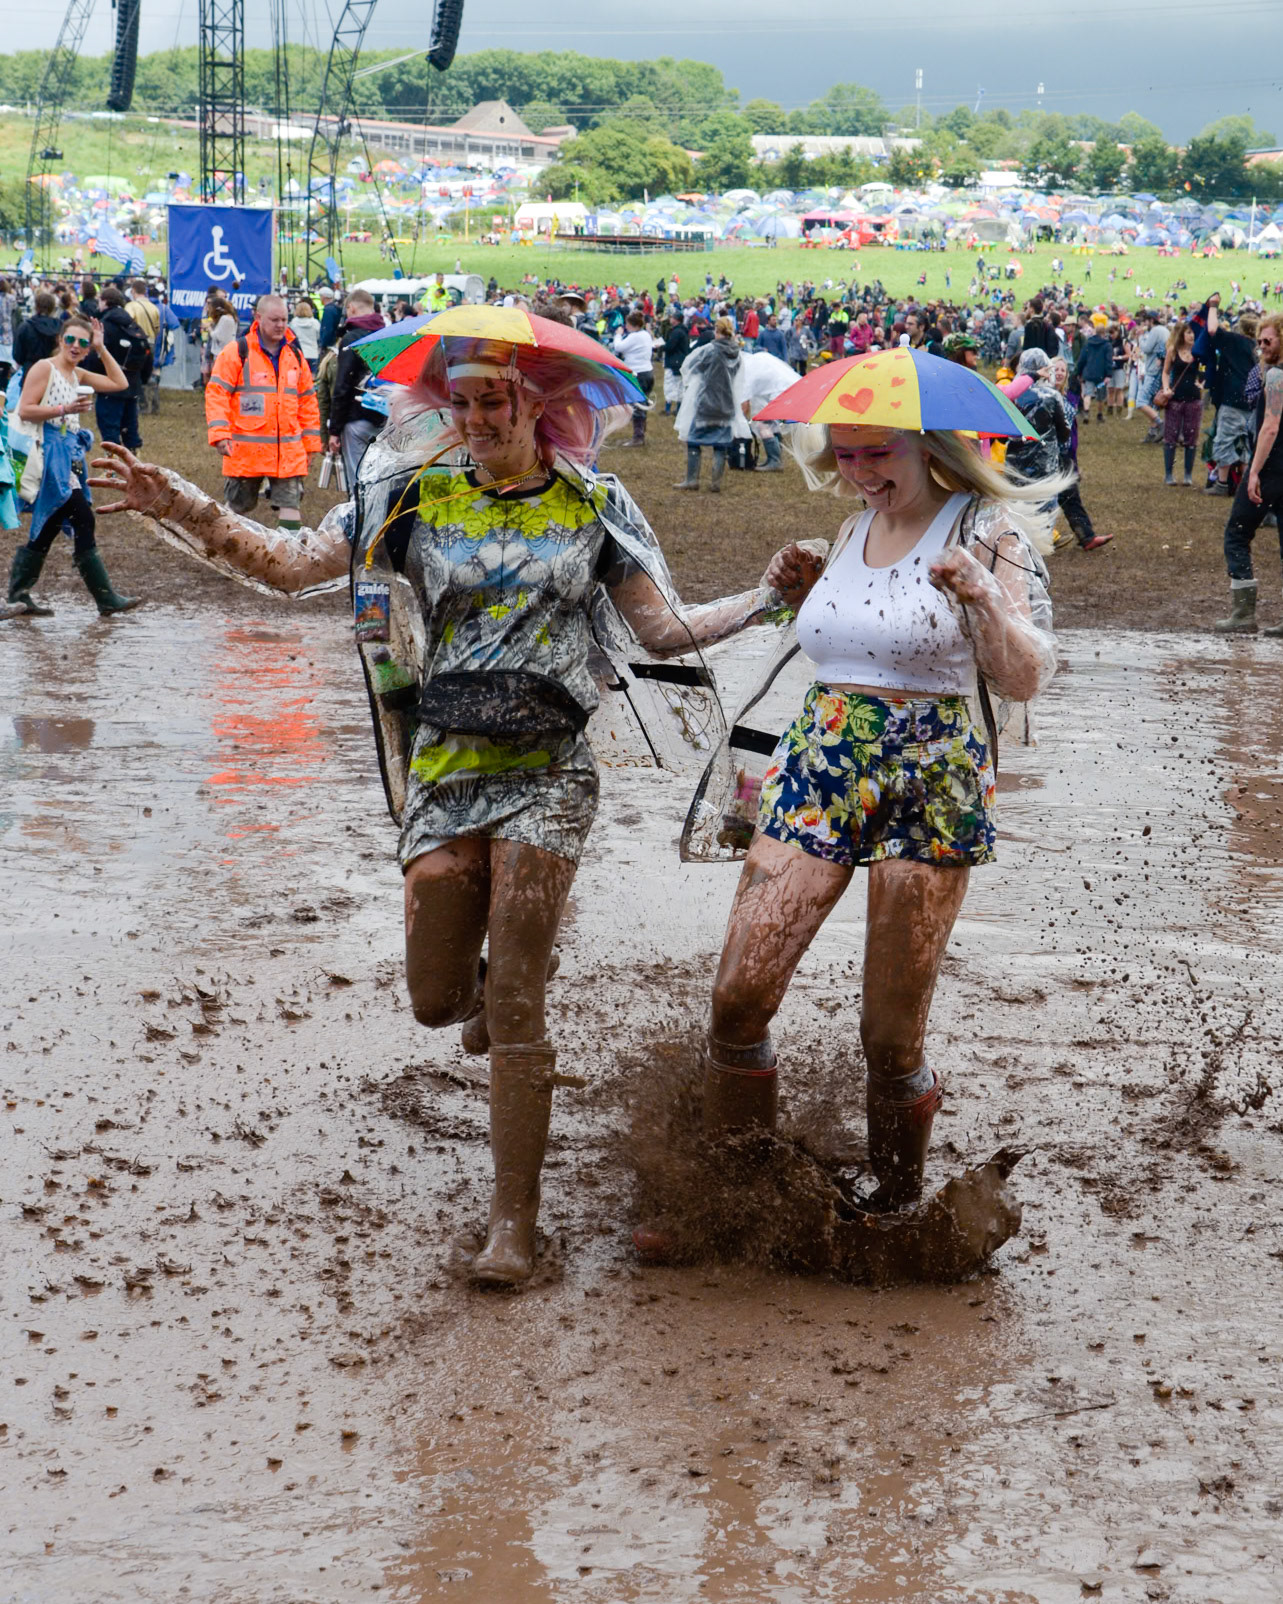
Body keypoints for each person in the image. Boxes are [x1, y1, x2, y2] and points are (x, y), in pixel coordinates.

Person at [87, 325, 806, 1285]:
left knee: (517, 991)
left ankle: (515, 1226)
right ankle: (474, 1003)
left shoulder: (594, 503)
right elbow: (289, 564)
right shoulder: (405, 495)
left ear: (535, 405)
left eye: (492, 402)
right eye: (458, 404)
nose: (472, 421)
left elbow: (662, 631)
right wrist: (169, 499)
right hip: (443, 764)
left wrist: (765, 596)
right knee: (436, 998)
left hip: (550, 765)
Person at [660, 400, 1058, 1228]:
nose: (860, 473)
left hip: (932, 778)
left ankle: (894, 1209)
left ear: (924, 445)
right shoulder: (841, 536)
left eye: (878, 454)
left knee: (888, 1035)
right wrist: (781, 591)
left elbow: (1026, 677)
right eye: (844, 457)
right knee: (736, 998)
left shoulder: (987, 531)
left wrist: (982, 596)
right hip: (819, 764)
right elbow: (777, 628)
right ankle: (733, 1199)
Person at [4, 315, 139, 618]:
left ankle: (19, 592)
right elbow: (25, 409)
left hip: (69, 454)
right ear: (60, 340)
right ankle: (105, 599)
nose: (76, 347)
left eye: (83, 343)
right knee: (80, 516)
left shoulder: (76, 374)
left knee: (54, 519)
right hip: (49, 453)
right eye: (71, 340)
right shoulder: (45, 368)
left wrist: (103, 349)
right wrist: (65, 408)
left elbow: (121, 383)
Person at [205, 293, 321, 531]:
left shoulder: (295, 356)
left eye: (284, 320)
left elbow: (308, 403)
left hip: (286, 451)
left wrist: (310, 445)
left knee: (291, 505)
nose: (281, 325)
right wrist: (219, 434)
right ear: (259, 318)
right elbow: (217, 393)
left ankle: (287, 562)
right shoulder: (236, 352)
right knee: (237, 507)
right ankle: (223, 550)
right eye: (275, 319)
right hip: (246, 451)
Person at [1213, 313, 1283, 634]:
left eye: (1267, 341)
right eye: (1258, 342)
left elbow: (1269, 427)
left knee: (1237, 534)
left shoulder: (1276, 377)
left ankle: (1243, 615)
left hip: (1270, 469)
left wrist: (1253, 471)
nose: (1261, 348)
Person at [327, 290, 388, 490]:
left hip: (356, 418)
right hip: (386, 419)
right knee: (380, 478)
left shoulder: (351, 339)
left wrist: (334, 430)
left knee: (358, 481)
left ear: (351, 308)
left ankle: (361, 516)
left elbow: (342, 385)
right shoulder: (388, 336)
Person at [1199, 297, 1258, 496]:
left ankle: (1222, 484)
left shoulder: (1236, 341)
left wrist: (1213, 307)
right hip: (1252, 402)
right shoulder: (1256, 347)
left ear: (1241, 327)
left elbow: (1213, 330)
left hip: (1233, 398)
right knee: (1245, 442)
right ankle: (1242, 485)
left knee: (1225, 439)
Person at [675, 316, 741, 493]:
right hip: (727, 403)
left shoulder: (710, 350)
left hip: (707, 402)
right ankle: (715, 482)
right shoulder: (737, 352)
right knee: (721, 444)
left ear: (717, 331)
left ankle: (691, 480)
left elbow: (694, 367)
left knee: (694, 440)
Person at [92, 283, 151, 452]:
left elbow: (95, 356)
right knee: (130, 429)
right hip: (132, 383)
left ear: (104, 302)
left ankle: (112, 470)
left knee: (110, 430)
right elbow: (147, 352)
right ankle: (135, 467)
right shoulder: (132, 324)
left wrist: (95, 380)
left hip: (109, 384)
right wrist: (142, 380)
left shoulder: (104, 325)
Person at [1158, 321, 1203, 488]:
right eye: (1188, 332)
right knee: (1171, 436)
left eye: (1193, 333)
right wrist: (1166, 387)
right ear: (1182, 334)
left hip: (1194, 399)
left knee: (1191, 436)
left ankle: (1187, 475)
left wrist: (1203, 382)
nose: (1191, 335)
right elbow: (1166, 371)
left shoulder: (1199, 353)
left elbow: (1206, 370)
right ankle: (1169, 474)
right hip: (1175, 399)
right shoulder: (1173, 351)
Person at [612, 309, 654, 447]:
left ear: (632, 324)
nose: (625, 327)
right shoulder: (645, 335)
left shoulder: (634, 336)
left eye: (627, 324)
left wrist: (618, 335)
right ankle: (640, 433)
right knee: (642, 404)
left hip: (638, 373)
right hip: (648, 372)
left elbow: (618, 347)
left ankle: (638, 437)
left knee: (637, 405)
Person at [1133, 308, 1168, 442]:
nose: (1145, 323)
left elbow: (1146, 348)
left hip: (1153, 371)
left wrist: (1140, 337)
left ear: (1151, 320)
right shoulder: (1164, 330)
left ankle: (1161, 424)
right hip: (1161, 372)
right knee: (1153, 404)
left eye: (1146, 320)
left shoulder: (1155, 331)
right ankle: (1152, 433)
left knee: (1141, 401)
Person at [13, 290, 62, 383]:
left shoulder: (25, 327)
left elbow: (17, 355)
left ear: (36, 306)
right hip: (54, 372)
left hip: (30, 372)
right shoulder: (61, 327)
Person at [661, 312, 689, 414]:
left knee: (669, 384)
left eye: (672, 317)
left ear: (676, 320)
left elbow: (670, 346)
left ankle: (668, 408)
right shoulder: (683, 330)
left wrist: (659, 347)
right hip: (681, 361)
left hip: (673, 361)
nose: (670, 319)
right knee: (680, 385)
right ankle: (678, 408)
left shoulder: (676, 332)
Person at [289, 296, 322, 374]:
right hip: (313, 353)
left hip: (299, 353)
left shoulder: (293, 323)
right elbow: (318, 337)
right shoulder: (315, 323)